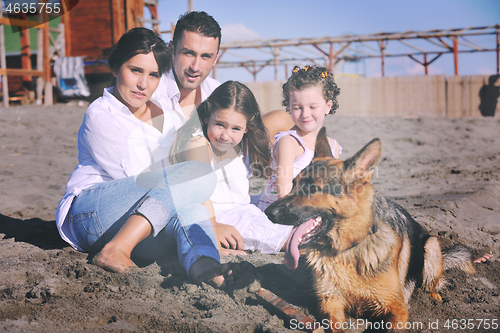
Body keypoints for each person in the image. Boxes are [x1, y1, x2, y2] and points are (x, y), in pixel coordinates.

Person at [55, 27, 233, 288]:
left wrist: (211, 227)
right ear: (116, 68)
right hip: (91, 215)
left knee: (193, 210)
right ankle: (118, 248)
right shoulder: (102, 114)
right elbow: (142, 180)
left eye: (153, 75)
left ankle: (206, 268)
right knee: (197, 174)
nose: (143, 84)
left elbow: (175, 183)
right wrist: (184, 168)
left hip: (139, 218)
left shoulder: (164, 114)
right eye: (135, 70)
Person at [169, 81, 293, 254]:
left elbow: (283, 117)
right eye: (220, 124)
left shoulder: (245, 143)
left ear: (247, 128)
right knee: (295, 240)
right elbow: (201, 189)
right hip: (217, 218)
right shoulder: (198, 143)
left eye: (236, 128)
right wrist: (213, 228)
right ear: (206, 117)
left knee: (304, 231)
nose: (225, 136)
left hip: (247, 213)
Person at [152, 10, 294, 147]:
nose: (195, 67)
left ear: (216, 58)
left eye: (206, 56)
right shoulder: (152, 92)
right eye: (189, 53)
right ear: (171, 49)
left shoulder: (216, 92)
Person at [258, 65, 342, 210]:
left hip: (312, 208)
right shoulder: (289, 142)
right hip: (283, 211)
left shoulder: (333, 146)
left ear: (328, 106)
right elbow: (283, 193)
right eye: (297, 108)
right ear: (289, 107)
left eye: (312, 107)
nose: (305, 114)